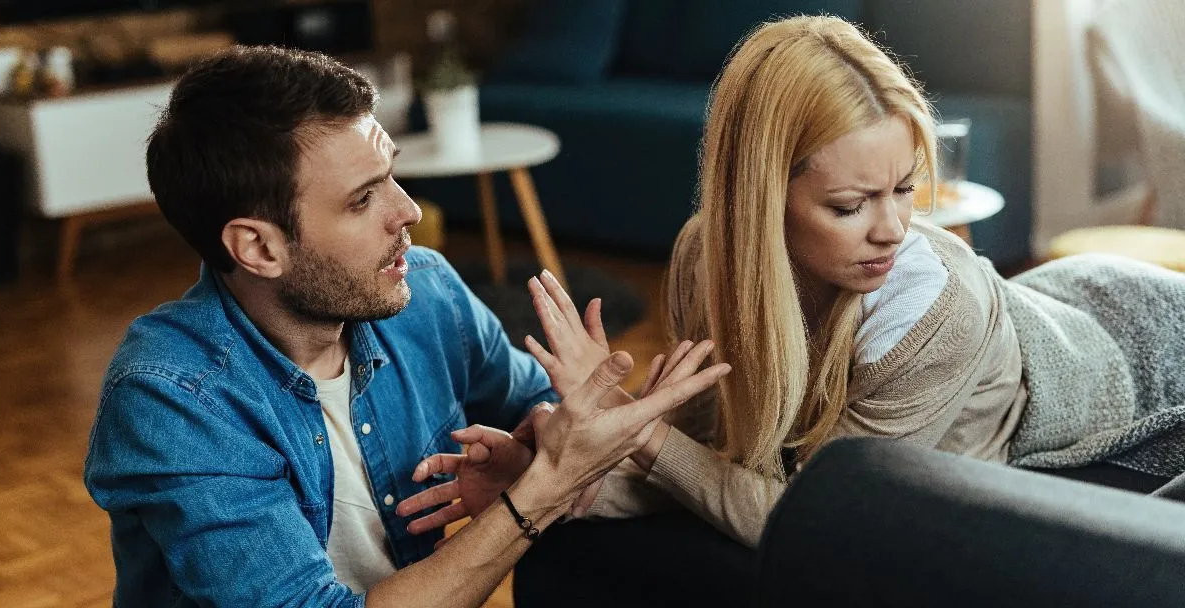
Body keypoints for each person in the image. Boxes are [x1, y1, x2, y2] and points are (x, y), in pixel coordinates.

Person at [406, 15, 1185, 550]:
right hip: (1064, 302)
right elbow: (717, 456)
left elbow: (802, 514)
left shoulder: (932, 311)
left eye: (907, 190)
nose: (891, 229)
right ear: (761, 199)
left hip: (1137, 350)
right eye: (850, 205)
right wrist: (544, 490)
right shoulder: (706, 258)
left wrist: (637, 426)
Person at [82, 45, 729, 608]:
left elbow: (536, 409)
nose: (409, 211)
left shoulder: (427, 291)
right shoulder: (171, 397)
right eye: (363, 200)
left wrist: (551, 436)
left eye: (390, 173)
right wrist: (541, 489)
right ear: (258, 246)